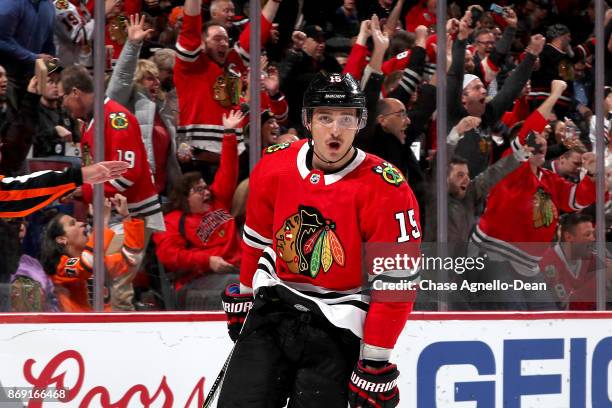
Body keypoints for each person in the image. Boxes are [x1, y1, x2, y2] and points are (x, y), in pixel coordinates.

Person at [218, 72, 421, 407]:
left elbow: (396, 285)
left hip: (338, 328)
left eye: (346, 118)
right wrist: (244, 294)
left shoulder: (388, 189)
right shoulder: (274, 166)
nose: (335, 129)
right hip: (273, 311)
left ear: (360, 122)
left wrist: (374, 361)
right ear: (308, 121)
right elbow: (255, 241)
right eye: (325, 117)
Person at [153, 110, 243, 302]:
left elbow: (229, 169)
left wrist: (229, 134)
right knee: (239, 288)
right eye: (199, 190)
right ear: (186, 197)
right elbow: (168, 255)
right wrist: (207, 261)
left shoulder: (217, 201)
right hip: (193, 282)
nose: (207, 192)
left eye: (206, 187)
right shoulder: (172, 220)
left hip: (235, 271)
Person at [59, 66, 164, 231]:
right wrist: (79, 189)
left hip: (136, 215)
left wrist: (85, 191)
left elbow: (126, 172)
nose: (63, 104)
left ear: (75, 93)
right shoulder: (89, 123)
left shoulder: (117, 118)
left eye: (63, 97)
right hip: (115, 215)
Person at [40, 194, 145, 311]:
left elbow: (131, 259)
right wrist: (102, 223)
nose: (82, 223)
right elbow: (87, 264)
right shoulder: (60, 267)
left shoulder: (99, 260)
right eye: (73, 223)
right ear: (61, 239)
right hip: (77, 327)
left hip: (106, 325)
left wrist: (126, 217)